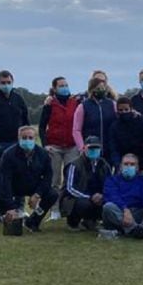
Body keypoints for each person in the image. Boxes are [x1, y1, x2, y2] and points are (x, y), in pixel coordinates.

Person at [0, 125, 57, 232]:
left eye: (30, 138)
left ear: (35, 139)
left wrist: (38, 194)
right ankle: (11, 216)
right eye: (24, 138)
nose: (27, 140)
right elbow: (5, 179)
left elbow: (48, 176)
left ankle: (33, 222)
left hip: (33, 185)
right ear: (18, 138)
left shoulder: (43, 154)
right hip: (14, 185)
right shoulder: (8, 154)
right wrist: (10, 206)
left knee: (52, 194)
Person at [38, 76, 79, 220]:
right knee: (54, 179)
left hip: (71, 146)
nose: (65, 87)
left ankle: (66, 208)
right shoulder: (50, 104)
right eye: (61, 85)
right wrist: (45, 145)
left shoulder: (75, 101)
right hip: (54, 146)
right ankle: (54, 209)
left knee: (70, 178)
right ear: (54, 89)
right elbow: (42, 126)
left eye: (66, 85)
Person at [102, 153, 143, 238]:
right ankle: (134, 229)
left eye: (132, 164)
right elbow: (112, 196)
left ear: (137, 167)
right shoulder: (112, 180)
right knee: (108, 207)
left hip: (138, 212)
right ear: (120, 166)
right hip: (121, 213)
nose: (129, 166)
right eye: (126, 164)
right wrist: (125, 209)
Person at [61, 136, 112, 230]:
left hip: (98, 197)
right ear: (84, 148)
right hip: (77, 198)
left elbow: (110, 185)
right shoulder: (74, 164)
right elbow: (69, 188)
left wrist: (103, 196)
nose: (94, 150)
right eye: (90, 148)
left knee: (109, 202)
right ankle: (73, 222)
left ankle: (92, 221)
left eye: (96, 148)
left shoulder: (104, 164)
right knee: (84, 204)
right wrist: (90, 197)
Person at [108, 96, 143, 172]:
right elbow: (113, 147)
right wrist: (118, 164)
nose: (123, 112)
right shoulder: (114, 126)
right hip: (122, 163)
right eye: (120, 110)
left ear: (131, 109)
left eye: (126, 109)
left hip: (142, 162)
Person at [73, 75, 117, 153]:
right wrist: (82, 147)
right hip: (91, 148)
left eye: (103, 88)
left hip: (109, 147)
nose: (101, 90)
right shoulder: (83, 106)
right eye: (98, 88)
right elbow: (76, 130)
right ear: (92, 89)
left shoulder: (112, 104)